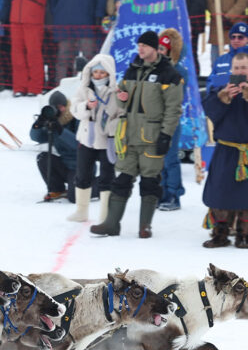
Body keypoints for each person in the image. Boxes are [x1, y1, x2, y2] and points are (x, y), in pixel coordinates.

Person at [90, 30, 183, 239]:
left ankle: (145, 226)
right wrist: (122, 97)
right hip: (128, 135)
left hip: (151, 135)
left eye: (145, 46)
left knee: (150, 181)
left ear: (154, 48)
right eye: (139, 45)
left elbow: (173, 109)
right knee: (121, 179)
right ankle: (111, 224)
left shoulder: (169, 73)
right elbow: (121, 98)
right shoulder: (133, 69)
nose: (140, 49)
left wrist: (166, 135)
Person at [200, 52, 248, 249]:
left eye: (243, 68)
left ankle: (245, 235)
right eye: (236, 68)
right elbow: (210, 111)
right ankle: (220, 234)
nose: (240, 72)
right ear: (231, 70)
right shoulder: (219, 91)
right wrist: (223, 97)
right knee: (221, 195)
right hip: (226, 151)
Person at [68, 55, 117, 220]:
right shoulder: (83, 89)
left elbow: (122, 115)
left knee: (107, 177)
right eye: (95, 72)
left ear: (109, 74)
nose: (98, 75)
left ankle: (105, 214)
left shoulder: (116, 91)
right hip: (86, 138)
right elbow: (74, 110)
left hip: (107, 140)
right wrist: (86, 106)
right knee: (82, 174)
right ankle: (81, 211)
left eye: (102, 73)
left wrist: (112, 127)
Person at [0, 0, 51, 96]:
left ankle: (35, 87)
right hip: (16, 19)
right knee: (17, 55)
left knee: (33, 54)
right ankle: (19, 87)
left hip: (33, 19)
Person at [157, 29, 190, 211]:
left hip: (170, 120)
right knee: (157, 158)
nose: (160, 51)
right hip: (154, 120)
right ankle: (160, 191)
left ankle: (174, 193)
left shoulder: (178, 71)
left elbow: (177, 98)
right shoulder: (152, 68)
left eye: (164, 48)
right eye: (159, 48)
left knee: (170, 158)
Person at [29, 91, 78, 201]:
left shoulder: (76, 116)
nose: (59, 110)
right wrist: (38, 124)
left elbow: (78, 144)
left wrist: (61, 131)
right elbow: (36, 138)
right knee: (43, 157)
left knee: (74, 197)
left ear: (66, 106)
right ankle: (57, 189)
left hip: (80, 165)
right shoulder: (52, 120)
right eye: (56, 107)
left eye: (61, 107)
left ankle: (101, 185)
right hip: (63, 162)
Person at [208, 21, 248, 91]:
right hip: (223, 97)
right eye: (233, 37)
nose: (236, 40)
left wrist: (222, 79)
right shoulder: (221, 59)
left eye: (240, 37)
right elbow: (210, 82)